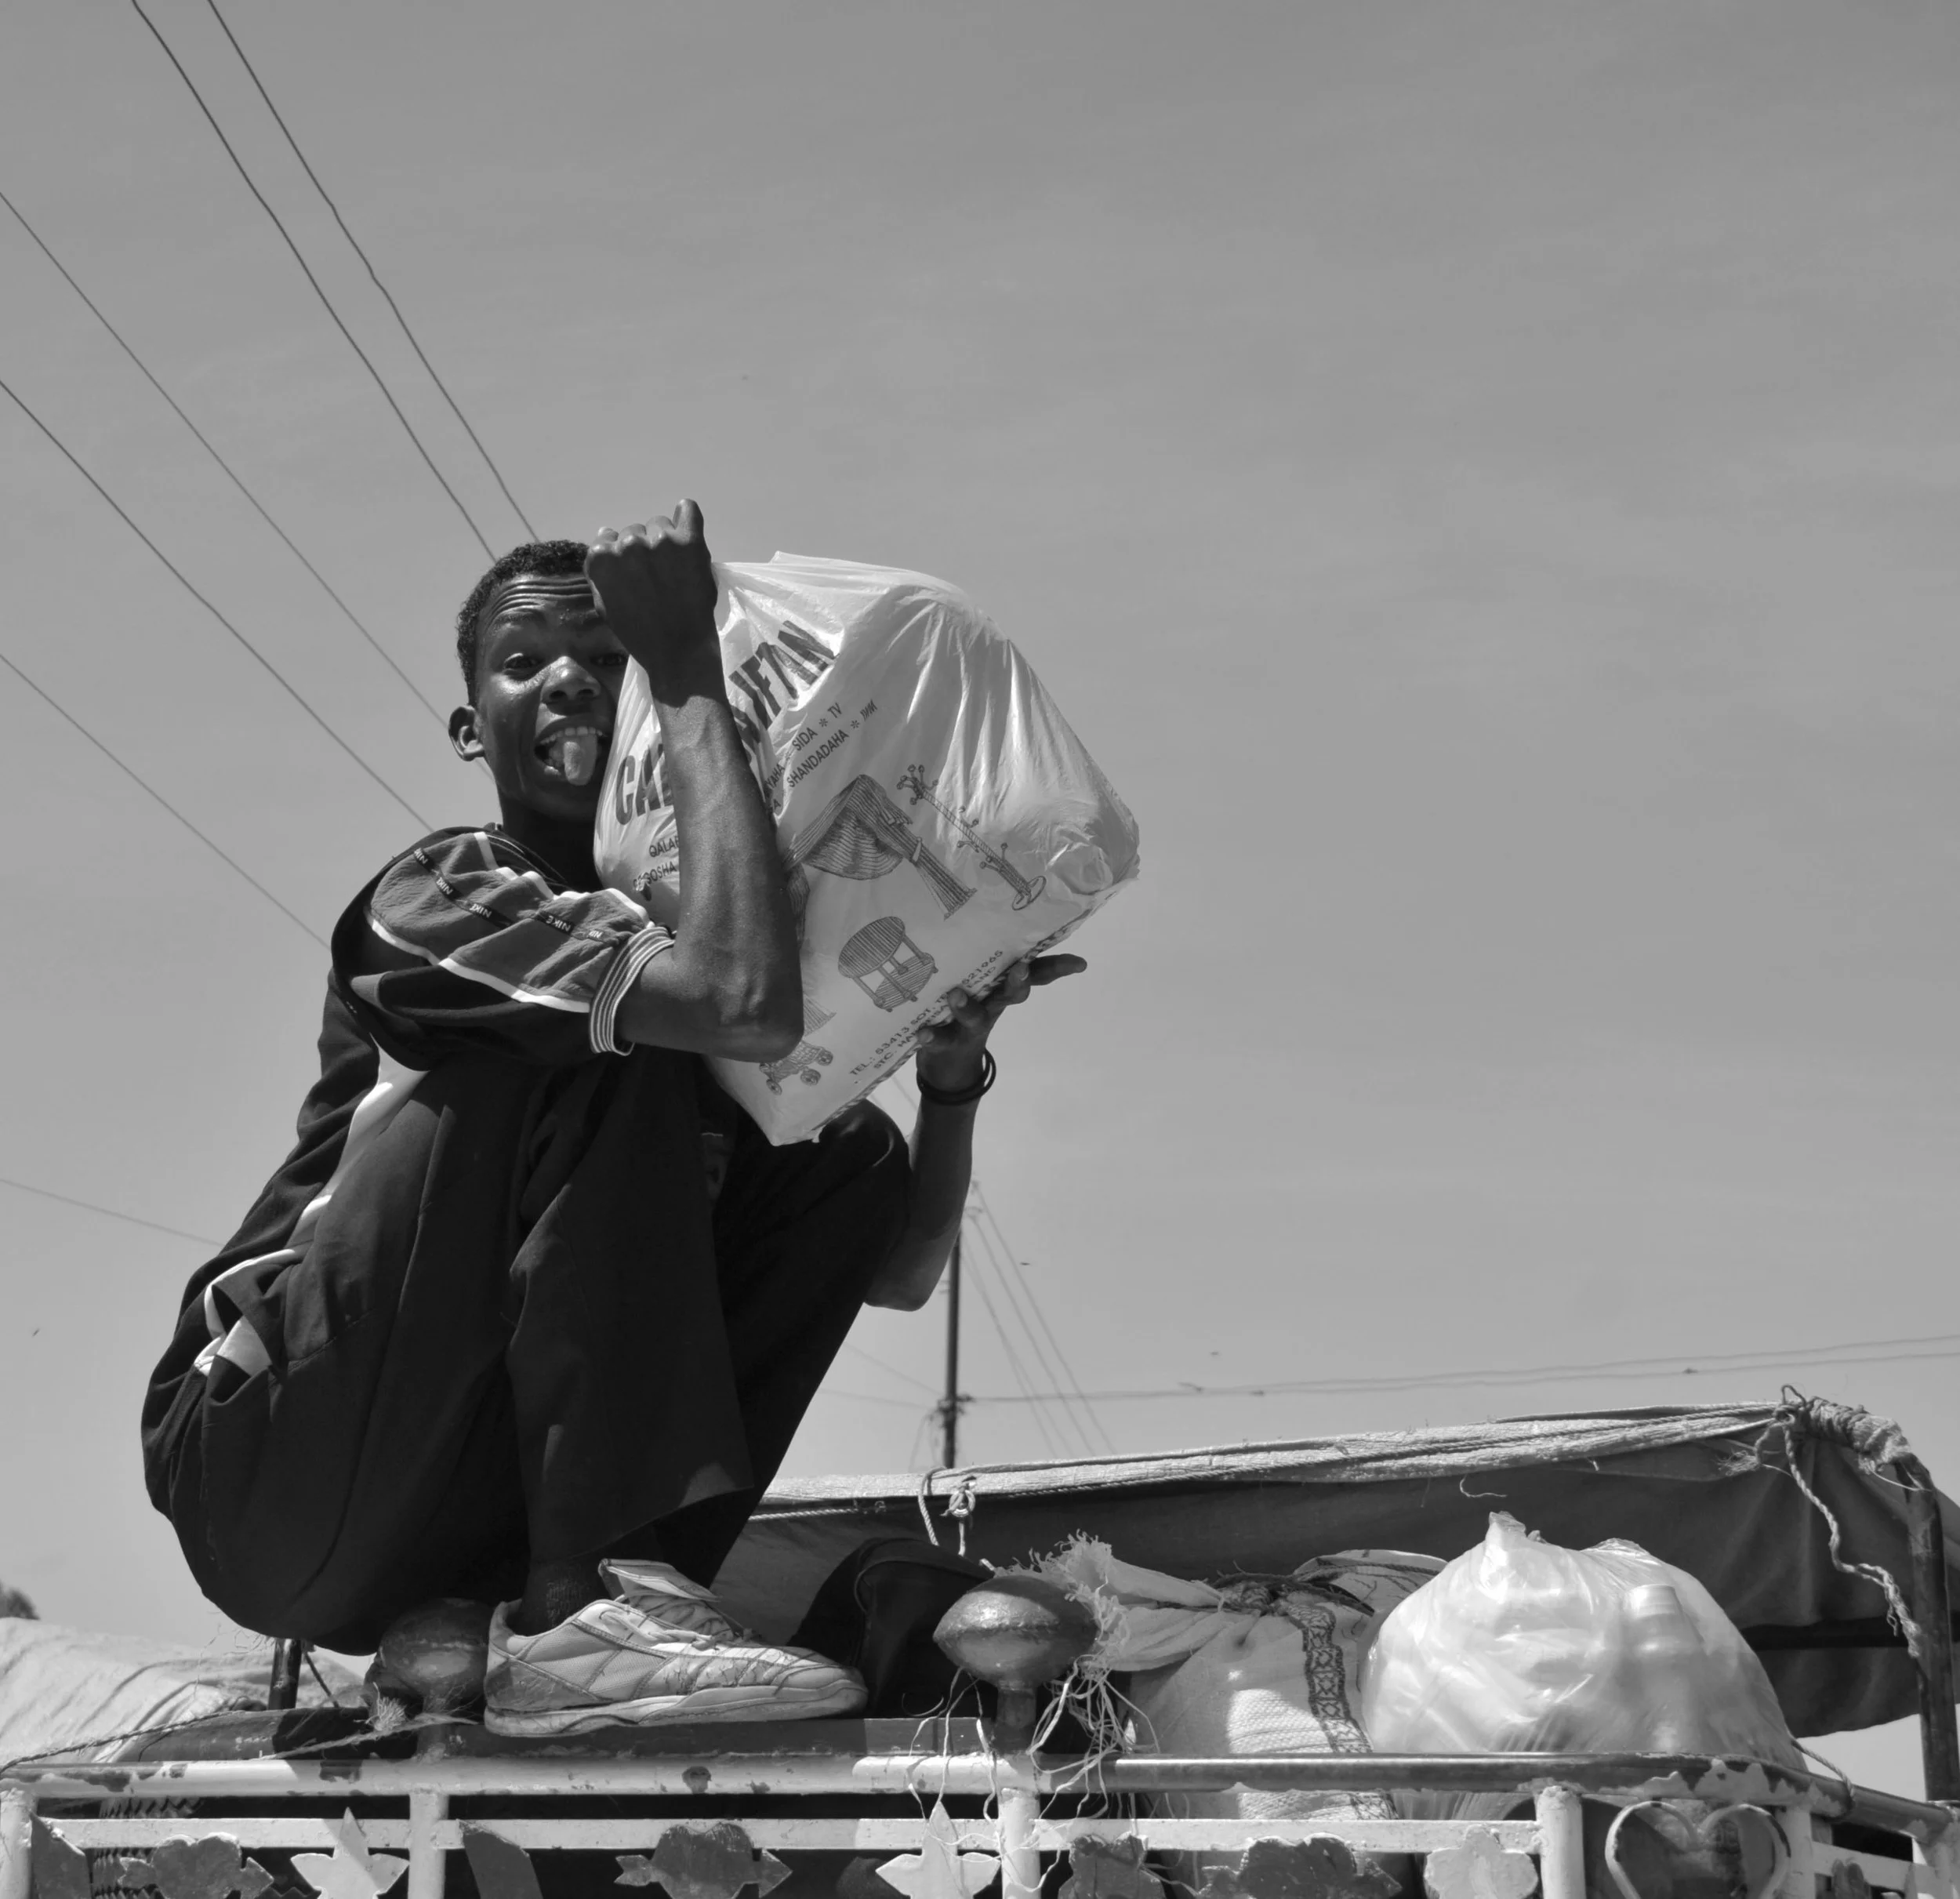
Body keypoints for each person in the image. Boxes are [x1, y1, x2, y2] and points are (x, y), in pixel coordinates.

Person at [141, 504, 1082, 1734]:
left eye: (610, 658)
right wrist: (686, 663)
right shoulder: (439, 891)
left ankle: (609, 1602)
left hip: (436, 1518)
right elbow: (736, 997)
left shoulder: (664, 981)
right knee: (613, 1012)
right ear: (470, 726)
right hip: (266, 1456)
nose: (572, 681)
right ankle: (590, 1606)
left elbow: (898, 1266)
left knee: (841, 1153)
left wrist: (950, 1078)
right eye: (526, 663)